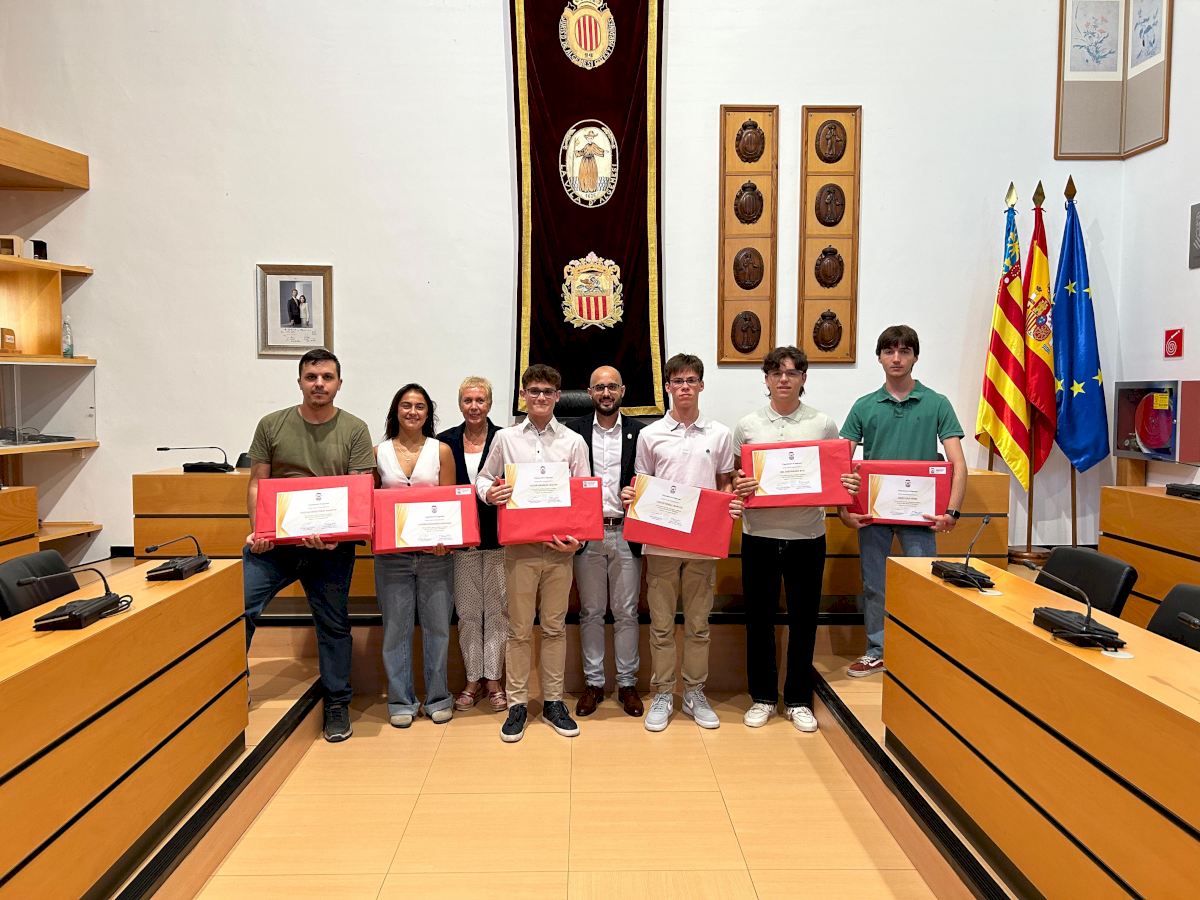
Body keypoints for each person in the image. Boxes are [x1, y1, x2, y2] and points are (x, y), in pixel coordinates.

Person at [243, 348, 374, 742]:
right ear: (299, 381)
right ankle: (231, 688)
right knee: (237, 609)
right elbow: (257, 483)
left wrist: (337, 536)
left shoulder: (355, 429)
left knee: (333, 625)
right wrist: (259, 531)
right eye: (311, 377)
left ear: (339, 383)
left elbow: (360, 492)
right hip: (276, 547)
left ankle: (336, 703)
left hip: (331, 548)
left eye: (327, 377)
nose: (319, 384)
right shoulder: (272, 424)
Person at [731, 347, 860, 733]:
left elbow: (837, 475)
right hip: (759, 535)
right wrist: (740, 484)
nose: (783, 379)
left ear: (803, 378)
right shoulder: (747, 425)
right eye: (776, 373)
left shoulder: (823, 424)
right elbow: (736, 477)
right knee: (759, 621)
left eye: (791, 372)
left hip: (808, 535)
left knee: (804, 621)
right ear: (766, 379)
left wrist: (848, 484)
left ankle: (799, 699)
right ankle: (763, 697)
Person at [623, 353, 741, 733]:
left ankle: (693, 692)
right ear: (668, 387)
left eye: (691, 380)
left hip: (702, 546)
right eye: (678, 381)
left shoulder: (719, 433)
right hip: (660, 546)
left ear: (701, 385)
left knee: (698, 625)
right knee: (661, 626)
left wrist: (729, 502)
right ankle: (662, 693)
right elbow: (642, 484)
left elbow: (725, 482)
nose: (685, 387)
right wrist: (632, 498)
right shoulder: (650, 435)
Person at [840, 325, 966, 677]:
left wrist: (952, 511)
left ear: (915, 357)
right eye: (889, 351)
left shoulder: (937, 403)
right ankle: (877, 650)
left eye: (904, 351)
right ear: (879, 358)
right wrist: (843, 511)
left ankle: (919, 650)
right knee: (874, 585)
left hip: (921, 515)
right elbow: (840, 464)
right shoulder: (864, 406)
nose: (896, 358)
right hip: (873, 515)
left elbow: (957, 463)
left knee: (922, 583)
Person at [476, 364, 590, 743]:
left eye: (547, 391)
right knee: (519, 629)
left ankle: (554, 701)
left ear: (558, 396)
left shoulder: (574, 441)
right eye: (534, 391)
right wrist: (489, 493)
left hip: (560, 550)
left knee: (555, 628)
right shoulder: (505, 438)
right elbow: (482, 478)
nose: (540, 397)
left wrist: (578, 541)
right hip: (520, 549)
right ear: (523, 395)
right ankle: (518, 704)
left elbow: (583, 495)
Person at [374, 383, 459, 728]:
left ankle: (438, 697)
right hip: (392, 558)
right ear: (396, 411)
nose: (412, 412)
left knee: (438, 629)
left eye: (420, 406)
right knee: (396, 631)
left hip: (435, 556)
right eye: (406, 405)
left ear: (428, 413)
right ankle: (401, 700)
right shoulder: (378, 452)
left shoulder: (441, 451)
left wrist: (445, 540)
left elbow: (450, 503)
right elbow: (372, 506)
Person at [566, 365, 645, 718]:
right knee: (591, 612)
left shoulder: (640, 433)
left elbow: (651, 479)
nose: (606, 393)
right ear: (589, 392)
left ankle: (627, 684)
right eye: (599, 387)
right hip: (589, 534)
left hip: (627, 532)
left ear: (623, 391)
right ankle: (594, 683)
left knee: (627, 612)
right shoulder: (573, 432)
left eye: (612, 386)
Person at [438, 376, 507, 713]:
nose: (474, 406)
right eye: (468, 400)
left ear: (489, 404)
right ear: (460, 404)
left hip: (498, 537)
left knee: (496, 611)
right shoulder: (444, 442)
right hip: (460, 540)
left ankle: (493, 680)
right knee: (467, 613)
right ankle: (471, 679)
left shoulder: (504, 439)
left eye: (480, 400)